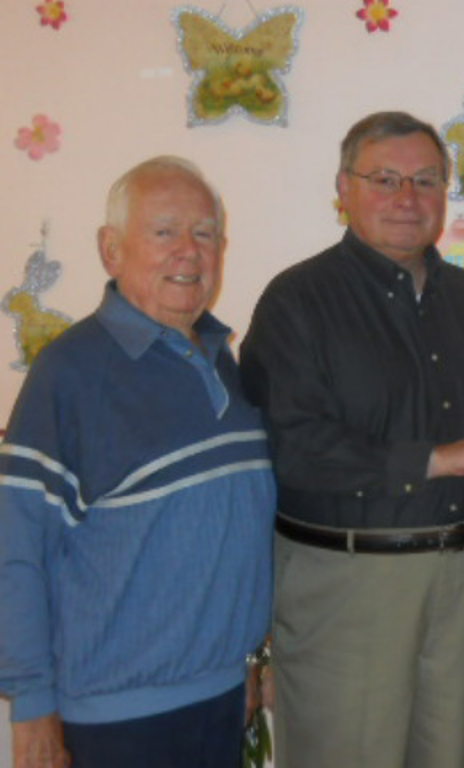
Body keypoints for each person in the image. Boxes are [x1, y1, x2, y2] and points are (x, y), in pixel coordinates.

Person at [239, 110, 464, 768]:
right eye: (385, 179)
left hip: (463, 577)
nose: (408, 198)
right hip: (346, 581)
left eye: (426, 180)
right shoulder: (297, 301)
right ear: (343, 187)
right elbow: (293, 445)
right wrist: (434, 459)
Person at [0, 156, 276, 768]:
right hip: (115, 720)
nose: (189, 251)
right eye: (164, 231)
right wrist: (31, 704)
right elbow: (15, 551)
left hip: (224, 696)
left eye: (204, 234)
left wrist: (253, 661)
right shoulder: (68, 375)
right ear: (110, 249)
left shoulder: (228, 366)